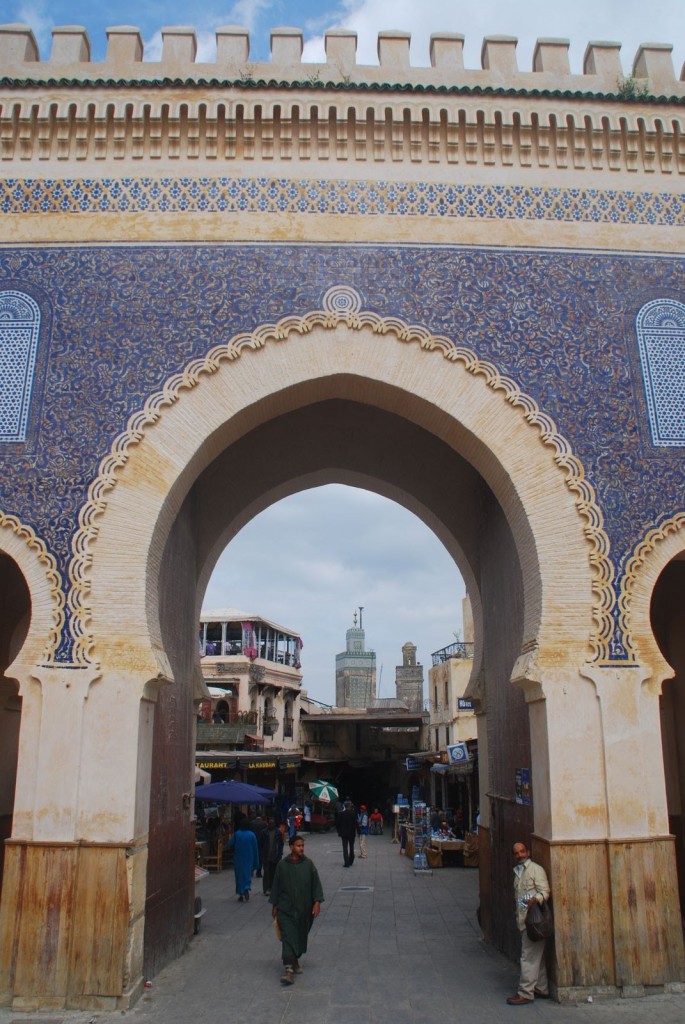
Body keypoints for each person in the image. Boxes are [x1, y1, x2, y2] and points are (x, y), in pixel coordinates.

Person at [269, 834, 324, 985]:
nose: (301, 848)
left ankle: (295, 960)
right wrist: (274, 905)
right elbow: (276, 885)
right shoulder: (282, 865)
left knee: (299, 935)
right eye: (299, 846)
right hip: (285, 909)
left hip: (304, 909)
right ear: (292, 847)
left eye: (303, 846)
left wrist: (317, 902)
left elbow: (316, 884)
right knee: (288, 937)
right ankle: (288, 971)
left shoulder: (308, 864)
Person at [507, 841, 551, 1005]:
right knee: (535, 957)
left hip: (533, 922)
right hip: (524, 919)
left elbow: (545, 891)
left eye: (522, 852)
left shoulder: (536, 870)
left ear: (528, 852)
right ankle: (541, 987)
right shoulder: (518, 872)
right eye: (516, 853)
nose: (520, 855)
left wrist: (535, 899)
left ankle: (525, 992)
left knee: (528, 957)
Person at [228, 819, 260, 902]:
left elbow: (230, 844)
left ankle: (240, 893)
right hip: (249, 857)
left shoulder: (237, 834)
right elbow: (255, 848)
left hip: (238, 857)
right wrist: (256, 861)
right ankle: (246, 887)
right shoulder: (252, 835)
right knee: (247, 874)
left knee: (239, 876)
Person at [260, 816, 284, 896]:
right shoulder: (264, 832)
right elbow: (261, 844)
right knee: (266, 873)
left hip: (275, 856)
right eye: (270, 823)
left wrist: (280, 854)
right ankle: (266, 889)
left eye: (272, 823)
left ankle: (272, 888)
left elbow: (281, 845)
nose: (271, 825)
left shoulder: (278, 833)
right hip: (266, 856)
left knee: (274, 873)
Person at [336, 800, 357, 867]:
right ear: (350, 806)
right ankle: (351, 860)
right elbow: (355, 823)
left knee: (345, 848)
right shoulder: (353, 813)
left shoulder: (341, 814)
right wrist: (359, 832)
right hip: (351, 833)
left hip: (344, 834)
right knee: (351, 847)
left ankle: (346, 863)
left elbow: (337, 824)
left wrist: (339, 831)